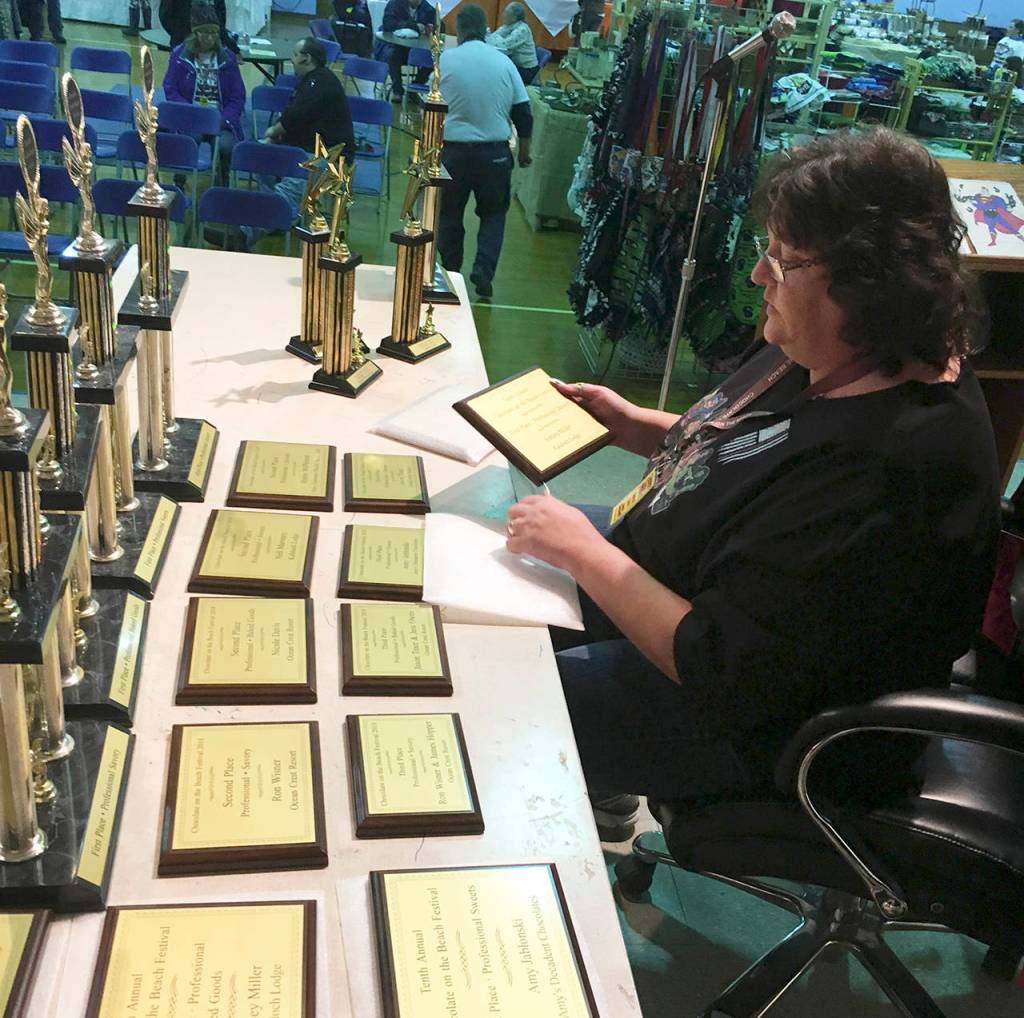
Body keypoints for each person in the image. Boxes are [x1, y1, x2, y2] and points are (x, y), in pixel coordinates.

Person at [503, 128, 1000, 835]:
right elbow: (752, 447)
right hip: (701, 590)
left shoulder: (890, 464)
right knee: (507, 583)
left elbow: (717, 662)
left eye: (784, 261)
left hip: (773, 726)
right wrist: (635, 424)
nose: (759, 277)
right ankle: (603, 776)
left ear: (867, 283)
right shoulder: (846, 350)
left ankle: (569, 794)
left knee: (504, 691)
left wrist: (586, 551)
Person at [207, 38, 355, 251]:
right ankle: (275, 219)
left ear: (306, 58)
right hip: (304, 151)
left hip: (331, 160)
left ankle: (244, 233)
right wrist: (274, 139)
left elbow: (295, 115)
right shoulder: (309, 81)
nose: (292, 61)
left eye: (295, 56)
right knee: (258, 156)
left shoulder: (322, 81)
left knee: (288, 188)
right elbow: (298, 119)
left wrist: (274, 132)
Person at [437, 3, 533, 299]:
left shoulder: (445, 60)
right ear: (485, 29)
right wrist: (524, 152)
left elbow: (432, 109)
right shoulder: (504, 63)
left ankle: (452, 272)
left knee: (449, 215)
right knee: (493, 215)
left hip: (453, 154)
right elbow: (524, 113)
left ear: (460, 29)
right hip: (494, 155)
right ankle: (483, 270)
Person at [162, 4, 245, 183]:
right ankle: (180, 181)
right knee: (188, 140)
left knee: (225, 146)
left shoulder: (228, 58)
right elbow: (170, 89)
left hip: (220, 119)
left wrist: (223, 119)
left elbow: (238, 96)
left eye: (214, 33)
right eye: (205, 33)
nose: (210, 38)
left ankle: (222, 183)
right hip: (191, 117)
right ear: (195, 33)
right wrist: (191, 113)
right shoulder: (180, 56)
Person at [377, 0, 434, 100]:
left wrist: (431, 28)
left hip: (417, 49)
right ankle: (397, 89)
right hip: (396, 46)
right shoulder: (395, 4)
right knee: (393, 56)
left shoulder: (427, 9)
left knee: (434, 59)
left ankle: (414, 89)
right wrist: (412, 26)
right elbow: (388, 24)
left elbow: (439, 26)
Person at [487, 3, 539, 84]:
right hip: (516, 65)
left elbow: (503, 46)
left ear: (514, 17)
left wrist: (495, 38)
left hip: (527, 71)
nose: (503, 15)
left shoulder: (522, 30)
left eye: (506, 13)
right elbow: (491, 39)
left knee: (496, 71)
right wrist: (495, 38)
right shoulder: (507, 26)